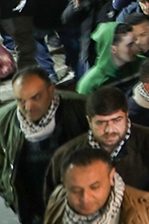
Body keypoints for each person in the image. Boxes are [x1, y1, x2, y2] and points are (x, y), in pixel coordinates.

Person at [45, 87, 149, 203]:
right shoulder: (65, 156)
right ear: (89, 121)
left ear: (127, 115)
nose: (109, 130)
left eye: (116, 120)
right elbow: (54, 204)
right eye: (101, 123)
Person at [0, 68, 89, 224]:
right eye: (21, 100)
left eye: (36, 97)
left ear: (51, 90)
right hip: (33, 211)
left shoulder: (81, 109)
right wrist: (10, 195)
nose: (29, 107)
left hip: (75, 208)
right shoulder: (4, 121)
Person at [44, 148, 149, 224]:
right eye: (76, 190)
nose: (85, 198)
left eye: (95, 187)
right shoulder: (58, 199)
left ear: (111, 177)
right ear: (64, 183)